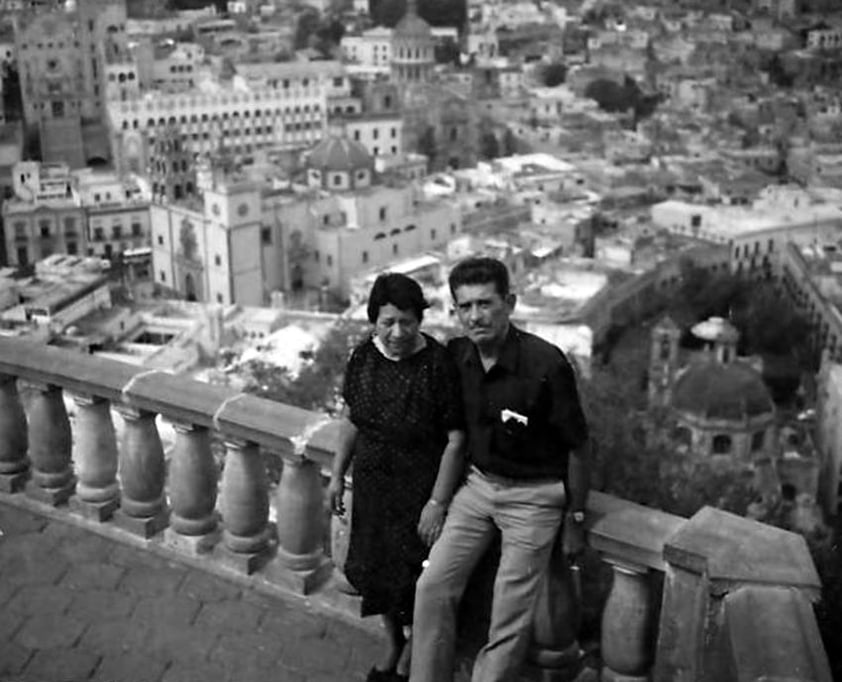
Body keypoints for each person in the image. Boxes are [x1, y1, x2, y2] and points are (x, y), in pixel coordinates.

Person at [410, 256, 591, 682]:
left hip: (534, 497)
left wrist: (575, 518)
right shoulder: (458, 356)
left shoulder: (546, 365)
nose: (475, 316)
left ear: (509, 302)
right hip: (477, 488)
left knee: (509, 617)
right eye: (465, 306)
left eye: (485, 303)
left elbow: (580, 448)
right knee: (433, 586)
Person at [328, 272, 466, 682]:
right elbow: (351, 418)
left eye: (407, 321)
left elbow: (456, 441)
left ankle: (412, 657)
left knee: (416, 576)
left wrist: (436, 504)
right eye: (387, 322)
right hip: (373, 486)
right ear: (374, 320)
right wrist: (337, 474)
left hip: (418, 489)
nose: (398, 332)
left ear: (419, 320)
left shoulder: (437, 365)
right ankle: (394, 641)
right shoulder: (363, 358)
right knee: (375, 570)